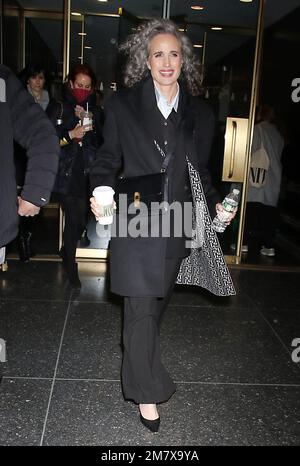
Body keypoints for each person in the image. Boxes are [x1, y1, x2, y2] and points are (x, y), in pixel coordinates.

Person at [90, 19, 236, 432]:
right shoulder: (122, 106)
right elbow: (105, 160)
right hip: (137, 218)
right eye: (158, 54)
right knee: (139, 310)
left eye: (174, 54)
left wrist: (214, 209)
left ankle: (138, 360)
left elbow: (200, 174)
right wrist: (101, 190)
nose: (167, 62)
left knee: (153, 311)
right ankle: (148, 392)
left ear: (183, 60)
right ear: (146, 60)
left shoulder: (202, 115)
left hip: (178, 225)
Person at [48, 64, 103, 288]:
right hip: (66, 173)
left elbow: (102, 143)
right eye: (79, 85)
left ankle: (66, 250)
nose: (82, 90)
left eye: (87, 86)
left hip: (88, 173)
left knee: (82, 220)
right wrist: (70, 134)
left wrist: (91, 123)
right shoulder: (59, 107)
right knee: (73, 220)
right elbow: (46, 141)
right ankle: (71, 265)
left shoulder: (95, 109)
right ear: (70, 84)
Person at [0, 64, 59, 258]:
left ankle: (26, 240)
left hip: (33, 165)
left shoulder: (51, 103)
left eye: (41, 78)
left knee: (26, 212)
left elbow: (44, 133)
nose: (38, 82)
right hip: (18, 163)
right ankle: (24, 241)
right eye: (34, 77)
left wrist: (35, 192)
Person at [244, 104, 284, 256]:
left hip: (257, 176)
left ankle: (244, 242)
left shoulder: (256, 129)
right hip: (274, 177)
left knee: (251, 210)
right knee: (269, 213)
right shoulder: (278, 133)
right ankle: (269, 245)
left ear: (260, 113)